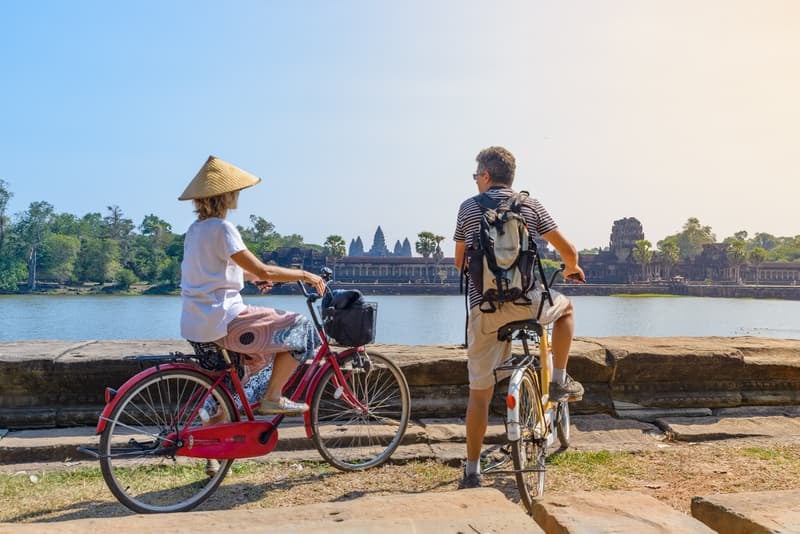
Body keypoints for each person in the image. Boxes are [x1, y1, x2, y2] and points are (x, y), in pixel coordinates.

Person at [178, 156, 326, 475]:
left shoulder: (195, 230)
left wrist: (254, 278)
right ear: (227, 196)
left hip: (195, 323)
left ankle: (212, 452)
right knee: (301, 330)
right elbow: (260, 267)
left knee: (233, 384)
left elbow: (215, 272)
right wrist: (305, 275)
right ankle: (274, 396)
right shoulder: (223, 228)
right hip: (224, 320)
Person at [453, 146, 585, 489]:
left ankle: (471, 470)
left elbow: (460, 263)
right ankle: (558, 379)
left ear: (485, 176)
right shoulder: (529, 205)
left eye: (475, 175)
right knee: (566, 309)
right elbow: (569, 251)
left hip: (483, 309)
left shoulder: (468, 208)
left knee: (479, 394)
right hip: (528, 303)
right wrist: (571, 268)